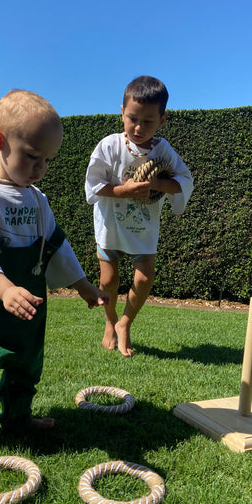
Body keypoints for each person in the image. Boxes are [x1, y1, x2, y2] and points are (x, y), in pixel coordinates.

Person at [0, 89, 109, 459]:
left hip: (26, 308)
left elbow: (54, 245)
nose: (40, 169)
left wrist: (82, 285)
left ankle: (18, 419)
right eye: (32, 157)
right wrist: (3, 288)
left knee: (25, 368)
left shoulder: (37, 199)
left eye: (47, 160)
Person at [85, 75, 194, 357]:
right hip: (111, 225)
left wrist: (157, 184)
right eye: (132, 118)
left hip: (143, 228)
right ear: (121, 112)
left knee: (144, 279)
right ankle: (110, 322)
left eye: (148, 121)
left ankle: (125, 323)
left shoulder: (163, 151)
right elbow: (94, 184)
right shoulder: (109, 146)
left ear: (162, 120)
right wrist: (124, 191)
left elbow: (184, 180)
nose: (138, 127)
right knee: (108, 281)